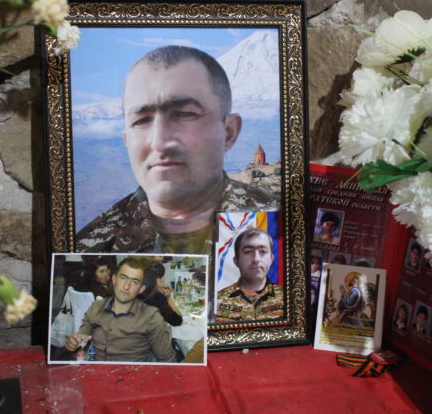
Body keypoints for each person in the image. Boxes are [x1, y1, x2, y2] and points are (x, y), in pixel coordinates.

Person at [75, 45, 279, 256]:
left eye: (184, 114)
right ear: (127, 140)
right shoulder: (89, 251)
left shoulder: (285, 228)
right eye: (141, 120)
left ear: (228, 132)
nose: (159, 142)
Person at [65, 256, 177, 362]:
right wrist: (74, 343)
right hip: (96, 370)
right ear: (114, 279)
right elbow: (83, 337)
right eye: (123, 278)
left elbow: (168, 361)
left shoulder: (151, 317)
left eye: (134, 282)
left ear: (141, 289)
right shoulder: (96, 307)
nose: (126, 286)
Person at [215, 228, 284, 321]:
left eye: (262, 251)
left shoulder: (288, 299)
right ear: (236, 261)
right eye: (248, 252)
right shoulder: (217, 301)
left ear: (271, 259)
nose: (256, 259)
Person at [139, 261, 183, 326]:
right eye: (162, 276)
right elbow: (178, 321)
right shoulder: (157, 298)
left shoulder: (138, 291)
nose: (163, 279)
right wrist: (169, 298)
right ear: (156, 279)